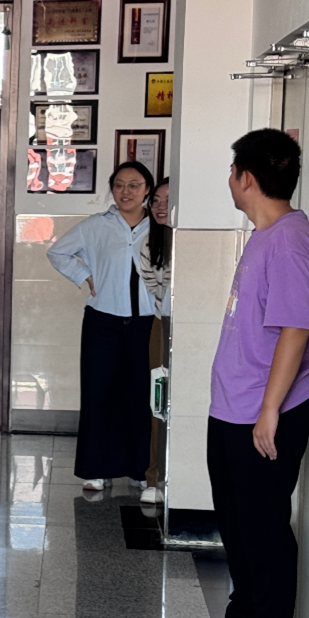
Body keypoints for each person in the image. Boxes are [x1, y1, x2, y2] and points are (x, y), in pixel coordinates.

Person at [199, 129, 309, 618]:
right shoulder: (265, 235)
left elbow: (297, 329)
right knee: (236, 517)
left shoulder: (292, 241)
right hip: (235, 404)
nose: (229, 180)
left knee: (264, 524)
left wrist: (270, 410)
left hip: (264, 410)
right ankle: (243, 617)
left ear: (246, 178)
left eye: (232, 171)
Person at [47, 161, 156, 492]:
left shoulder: (159, 227)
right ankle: (97, 469)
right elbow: (57, 252)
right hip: (103, 320)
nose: (126, 192)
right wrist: (84, 275)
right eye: (119, 185)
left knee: (141, 394)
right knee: (99, 393)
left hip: (147, 322)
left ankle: (141, 469)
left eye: (134, 185)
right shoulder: (96, 225)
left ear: (147, 190)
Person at [139, 177, 171, 504]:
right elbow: (156, 290)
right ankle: (154, 477)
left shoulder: (194, 240)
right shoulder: (148, 245)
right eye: (156, 201)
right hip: (162, 324)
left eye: (168, 200)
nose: (161, 207)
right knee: (158, 400)